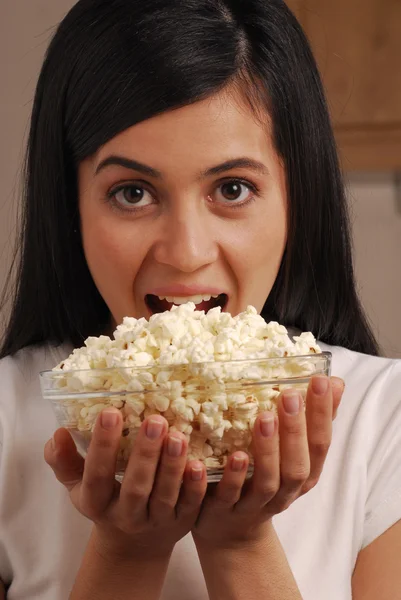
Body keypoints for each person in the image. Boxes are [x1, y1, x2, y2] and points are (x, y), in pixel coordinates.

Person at [0, 0, 400, 598]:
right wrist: (125, 551)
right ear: (70, 207)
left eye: (232, 188)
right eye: (132, 192)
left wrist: (240, 542)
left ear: (298, 197)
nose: (186, 253)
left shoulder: (385, 420)